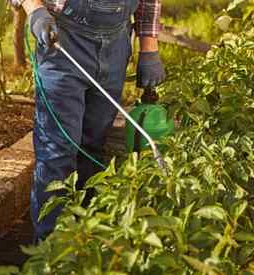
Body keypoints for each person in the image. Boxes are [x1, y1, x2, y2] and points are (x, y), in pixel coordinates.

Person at [9, 0, 166, 240]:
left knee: (92, 147)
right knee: (58, 153)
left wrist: (149, 48)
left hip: (115, 45)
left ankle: (84, 245)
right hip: (63, 42)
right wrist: (35, 9)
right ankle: (50, 252)